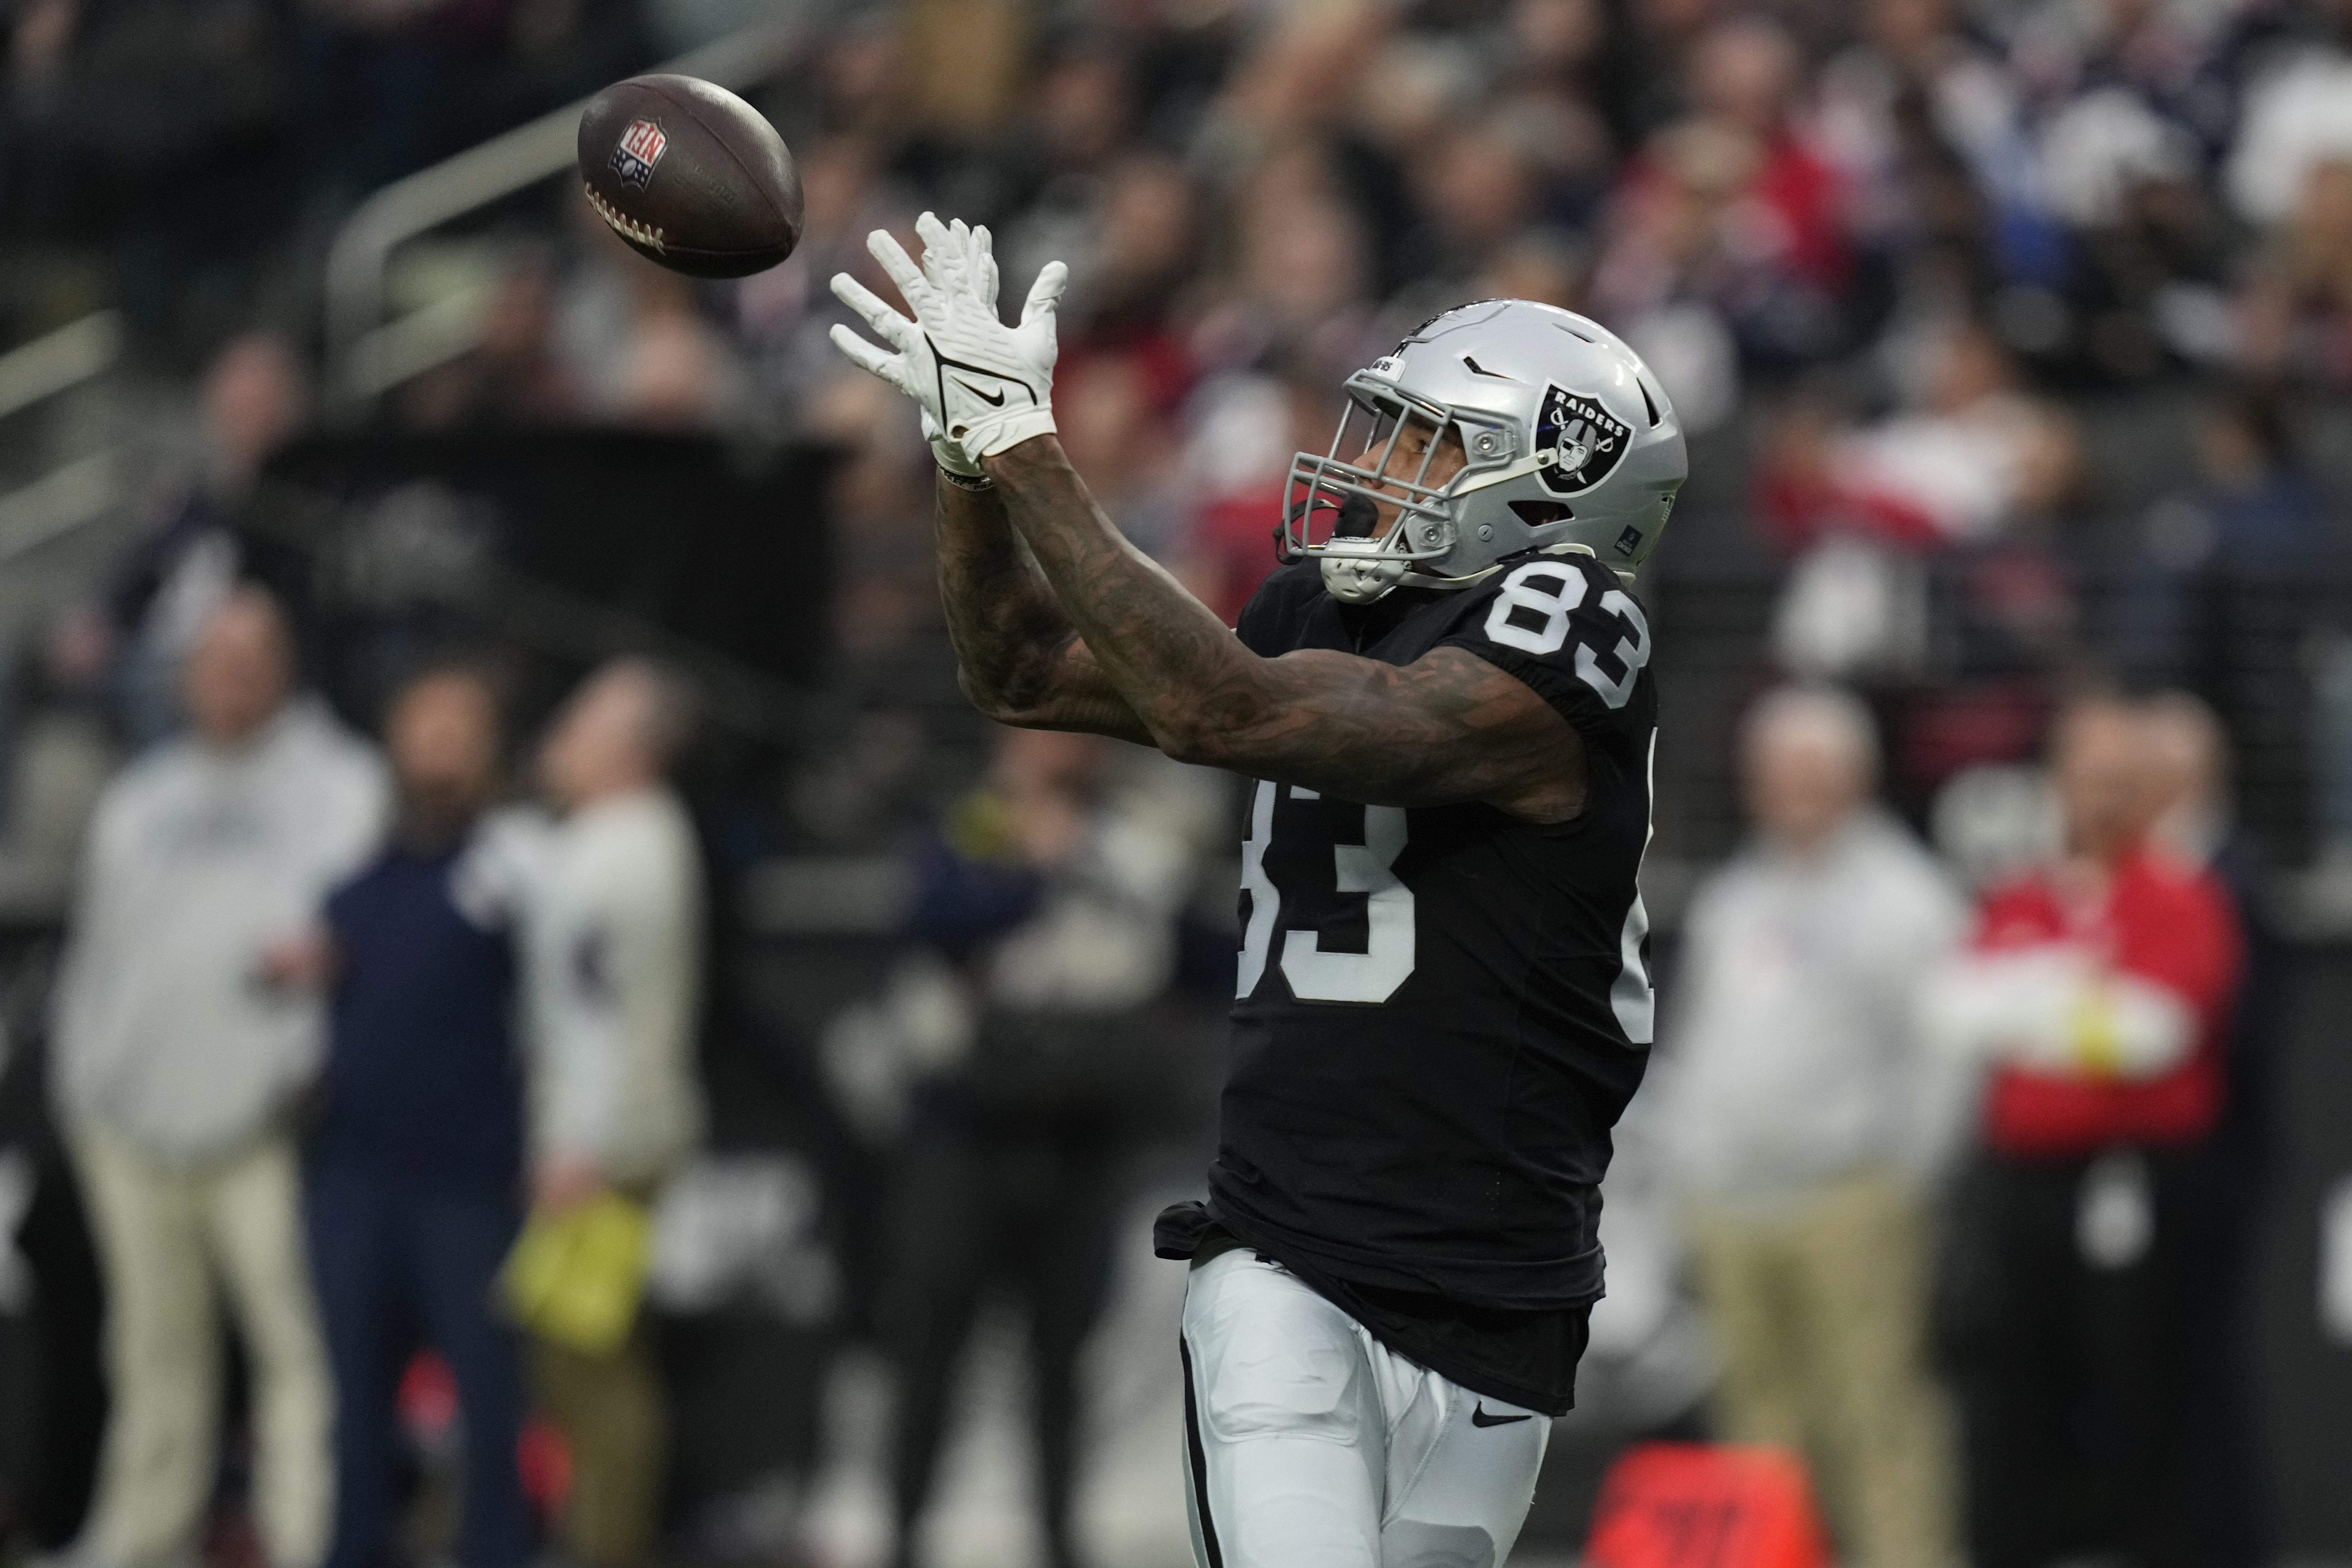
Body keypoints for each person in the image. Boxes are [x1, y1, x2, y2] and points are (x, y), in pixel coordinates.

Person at [830, 215, 1684, 1568]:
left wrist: (1024, 442)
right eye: (1381, 428)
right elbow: (1021, 672)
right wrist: (965, 460)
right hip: (1294, 1253)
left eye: (1426, 444)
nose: (1372, 466)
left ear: (1553, 489)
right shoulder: (1318, 610)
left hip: (1503, 1284)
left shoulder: (1568, 630)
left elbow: (1216, 704)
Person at [50, 587, 388, 1568]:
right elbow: (95, 953)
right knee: (152, 1352)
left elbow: (355, 946)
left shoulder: (342, 786)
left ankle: (306, 1537)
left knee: (297, 1350)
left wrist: (306, 1055)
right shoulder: (141, 797)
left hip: (266, 1127)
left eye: (252, 655)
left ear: (287, 666)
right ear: (187, 674)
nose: (231, 675)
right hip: (128, 1123)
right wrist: (86, 1080)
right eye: (214, 657)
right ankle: (141, 1539)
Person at [1925, 694, 2244, 1568]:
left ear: (2149, 791)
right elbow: (1954, 1010)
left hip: (2137, 1185)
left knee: (2149, 1395)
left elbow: (2156, 1033)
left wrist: (2035, 1006)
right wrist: (2079, 1005)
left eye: (2120, 781)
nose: (2101, 799)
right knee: (2015, 1393)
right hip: (2023, 1188)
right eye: (2086, 779)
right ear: (2055, 785)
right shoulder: (2023, 895)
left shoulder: (2181, 896)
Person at [882, 725, 1201, 1568]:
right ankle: (902, 1535)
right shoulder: (970, 822)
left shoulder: (1133, 828)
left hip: (1079, 1128)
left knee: (1060, 1356)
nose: (1060, 743)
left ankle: (1060, 1539)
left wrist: (1086, 857)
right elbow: (932, 921)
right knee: (931, 1344)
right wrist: (1032, 866)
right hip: (967, 1125)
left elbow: (1180, 943)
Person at [1662, 685, 1964, 1568]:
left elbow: (1945, 1057)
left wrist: (1903, 1179)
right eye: (1772, 770)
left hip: (1848, 1200)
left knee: (1873, 1417)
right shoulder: (1737, 890)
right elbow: (1702, 1034)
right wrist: (1687, 1166)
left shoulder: (1904, 898)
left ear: (1854, 777)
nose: (1787, 788)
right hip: (1729, 1199)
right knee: (1758, 1423)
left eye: (1808, 769)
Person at [303, 664, 539, 1568]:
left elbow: (559, 1018)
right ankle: (354, 1547)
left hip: (471, 1175)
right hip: (355, 1169)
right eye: (424, 724)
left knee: (488, 1389)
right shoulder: (355, 873)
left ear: (488, 748)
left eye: (461, 726)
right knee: (354, 1394)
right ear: (393, 739)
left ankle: (495, 1549)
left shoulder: (518, 863)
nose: (441, 745)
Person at [524, 657, 707, 1568]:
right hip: (615, 1134)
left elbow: (597, 1007)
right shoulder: (626, 836)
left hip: (609, 1144)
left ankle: (608, 1543)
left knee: (593, 1360)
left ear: (630, 751)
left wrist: (577, 1141)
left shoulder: (620, 850)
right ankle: (594, 1533)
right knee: (579, 1355)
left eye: (579, 724)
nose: (555, 739)